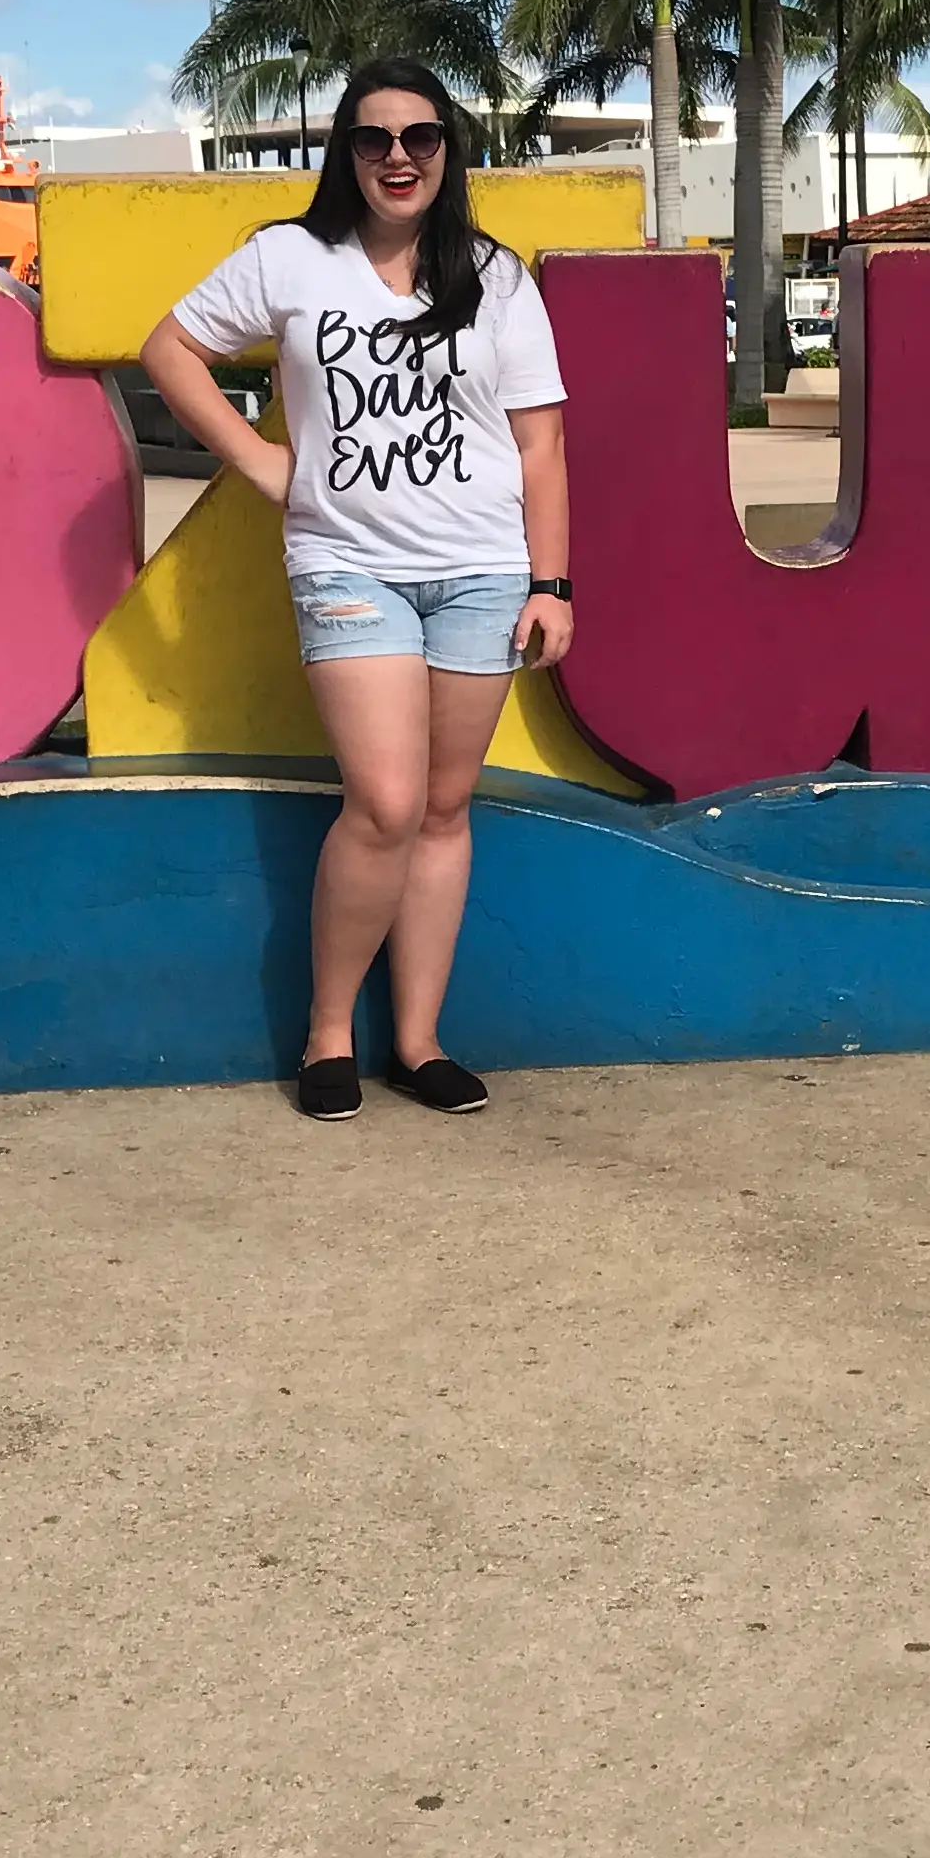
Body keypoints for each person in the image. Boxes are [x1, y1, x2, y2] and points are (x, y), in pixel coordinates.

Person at [140, 59, 574, 1122]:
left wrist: (552, 581)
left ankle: (420, 1042)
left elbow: (540, 445)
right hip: (348, 565)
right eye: (373, 138)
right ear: (344, 151)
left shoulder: (493, 275)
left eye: (420, 138)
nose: (396, 157)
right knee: (381, 802)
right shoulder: (291, 258)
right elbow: (172, 348)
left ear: (448, 151)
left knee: (441, 806)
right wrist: (257, 461)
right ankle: (329, 1030)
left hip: (481, 570)